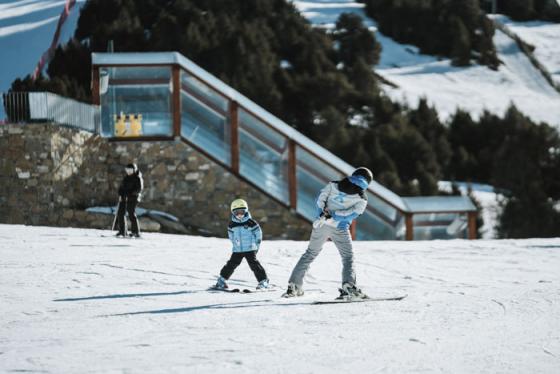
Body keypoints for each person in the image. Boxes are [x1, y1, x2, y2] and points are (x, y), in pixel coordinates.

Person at [282, 167, 373, 299]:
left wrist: (322, 214)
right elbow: (352, 214)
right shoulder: (362, 198)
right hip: (340, 228)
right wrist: (335, 216)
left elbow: (320, 199)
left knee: (310, 254)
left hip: (321, 224)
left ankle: (294, 286)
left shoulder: (334, 184)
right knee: (348, 257)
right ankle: (349, 287)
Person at [214, 199, 269, 290]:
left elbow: (258, 235)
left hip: (250, 249)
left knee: (254, 265)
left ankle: (263, 281)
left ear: (246, 210)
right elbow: (231, 236)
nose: (240, 214)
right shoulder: (232, 224)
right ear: (233, 213)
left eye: (242, 212)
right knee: (231, 264)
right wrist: (235, 244)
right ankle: (221, 280)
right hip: (237, 250)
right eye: (237, 212)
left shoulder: (251, 223)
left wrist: (256, 246)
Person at [115, 163, 143, 237]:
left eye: (130, 170)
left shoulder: (138, 178)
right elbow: (121, 187)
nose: (128, 172)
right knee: (120, 213)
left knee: (131, 213)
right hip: (124, 197)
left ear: (134, 170)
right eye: (127, 170)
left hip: (133, 198)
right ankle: (122, 231)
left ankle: (136, 232)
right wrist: (120, 194)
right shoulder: (126, 178)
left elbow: (139, 189)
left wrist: (130, 194)